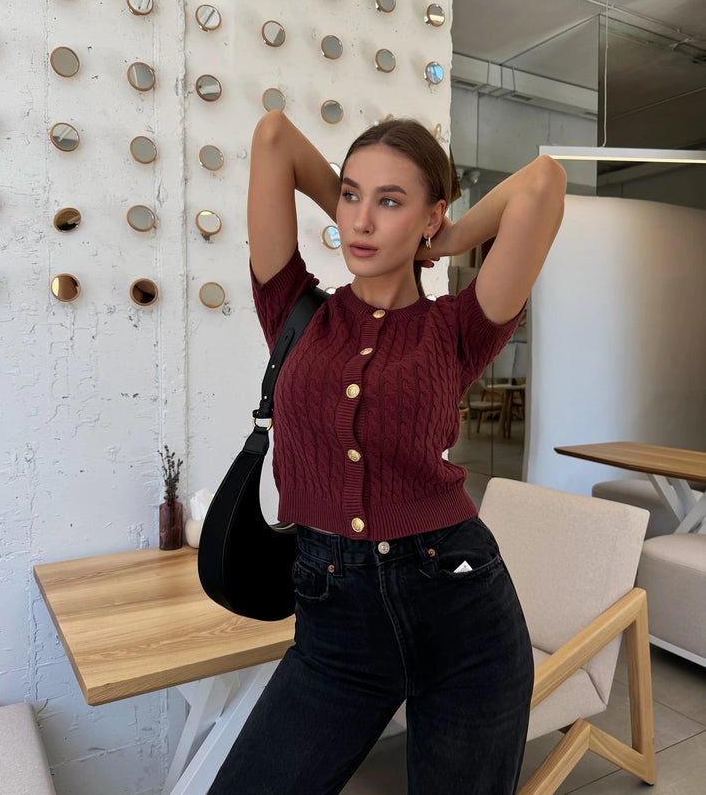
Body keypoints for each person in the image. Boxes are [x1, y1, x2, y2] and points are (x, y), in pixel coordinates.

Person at [208, 110, 566, 794]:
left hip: (462, 609)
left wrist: (450, 235)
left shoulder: (459, 325)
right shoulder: (293, 309)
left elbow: (543, 181)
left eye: (390, 201)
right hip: (333, 622)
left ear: (428, 216)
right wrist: (365, 203)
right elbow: (274, 136)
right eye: (351, 195)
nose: (361, 222)